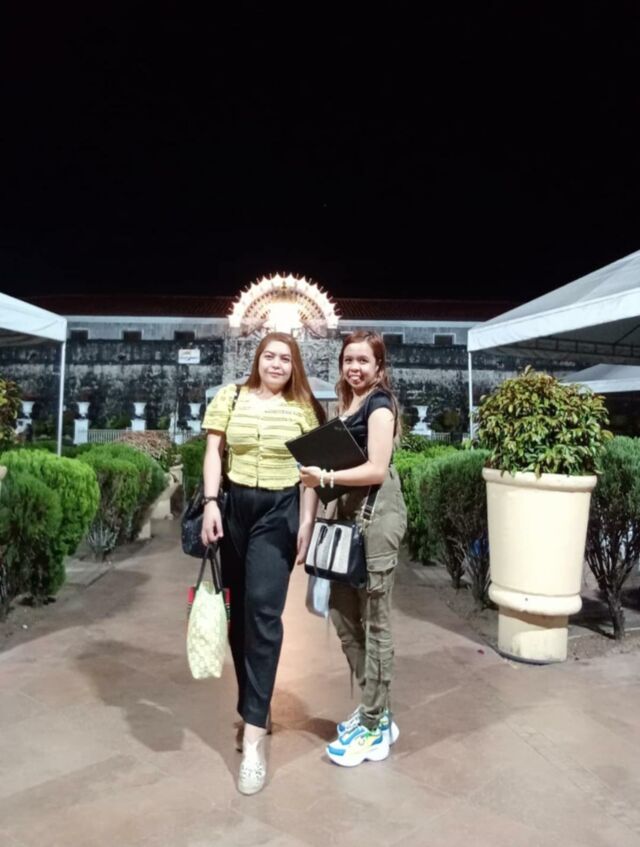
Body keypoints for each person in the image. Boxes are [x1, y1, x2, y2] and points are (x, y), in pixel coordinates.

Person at [200, 332, 323, 795]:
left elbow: (310, 474)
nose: (276, 364)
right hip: (234, 508)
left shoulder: (303, 408)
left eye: (285, 359)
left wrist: (307, 522)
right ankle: (255, 704)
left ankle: (253, 740)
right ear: (257, 359)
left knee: (263, 613)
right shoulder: (229, 397)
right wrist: (211, 503)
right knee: (237, 615)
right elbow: (214, 451)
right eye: (269, 356)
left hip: (279, 511)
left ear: (294, 366)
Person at [299, 330, 407, 767]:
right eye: (349, 360)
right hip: (347, 520)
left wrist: (325, 478)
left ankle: (374, 725)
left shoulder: (379, 405)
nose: (355, 367)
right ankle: (376, 711)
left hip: (376, 519)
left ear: (379, 367)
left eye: (363, 360)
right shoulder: (346, 405)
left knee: (376, 623)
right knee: (342, 615)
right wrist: (310, 515)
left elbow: (377, 469)